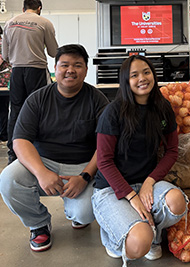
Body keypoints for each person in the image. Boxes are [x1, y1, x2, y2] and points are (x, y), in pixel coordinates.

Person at [0, 44, 110, 252]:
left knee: (86, 213)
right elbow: (20, 140)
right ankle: (39, 224)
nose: (71, 70)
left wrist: (85, 176)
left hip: (81, 166)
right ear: (55, 67)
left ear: (86, 70)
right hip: (43, 161)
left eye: (77, 65)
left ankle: (75, 212)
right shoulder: (37, 99)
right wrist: (41, 172)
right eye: (65, 65)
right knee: (8, 179)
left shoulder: (97, 100)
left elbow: (106, 145)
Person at [92, 55, 187, 265]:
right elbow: (104, 161)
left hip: (146, 184)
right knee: (138, 245)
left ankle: (152, 229)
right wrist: (132, 197)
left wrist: (149, 181)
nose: (142, 78)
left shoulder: (163, 108)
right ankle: (112, 235)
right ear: (125, 81)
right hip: (111, 189)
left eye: (146, 72)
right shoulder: (112, 112)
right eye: (134, 75)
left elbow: (171, 150)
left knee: (176, 202)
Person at [2, 0, 58, 163]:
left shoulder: (10, 23)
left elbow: (5, 56)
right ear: (39, 8)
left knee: (16, 111)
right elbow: (54, 52)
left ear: (23, 8)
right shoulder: (45, 22)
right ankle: (37, 149)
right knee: (39, 110)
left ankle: (13, 151)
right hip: (37, 70)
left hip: (17, 72)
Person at [0, 26, 11, 142]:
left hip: (3, 81)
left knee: (3, 108)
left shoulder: (1, 43)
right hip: (5, 80)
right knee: (3, 108)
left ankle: (3, 134)